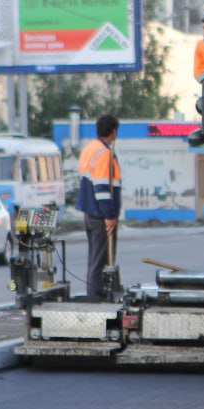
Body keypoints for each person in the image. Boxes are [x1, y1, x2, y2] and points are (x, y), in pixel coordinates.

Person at [75, 114, 122, 300]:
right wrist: (109, 215)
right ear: (114, 132)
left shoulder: (89, 149)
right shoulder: (104, 153)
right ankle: (96, 298)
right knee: (101, 260)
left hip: (90, 213)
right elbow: (102, 188)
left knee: (94, 258)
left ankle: (94, 294)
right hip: (100, 215)